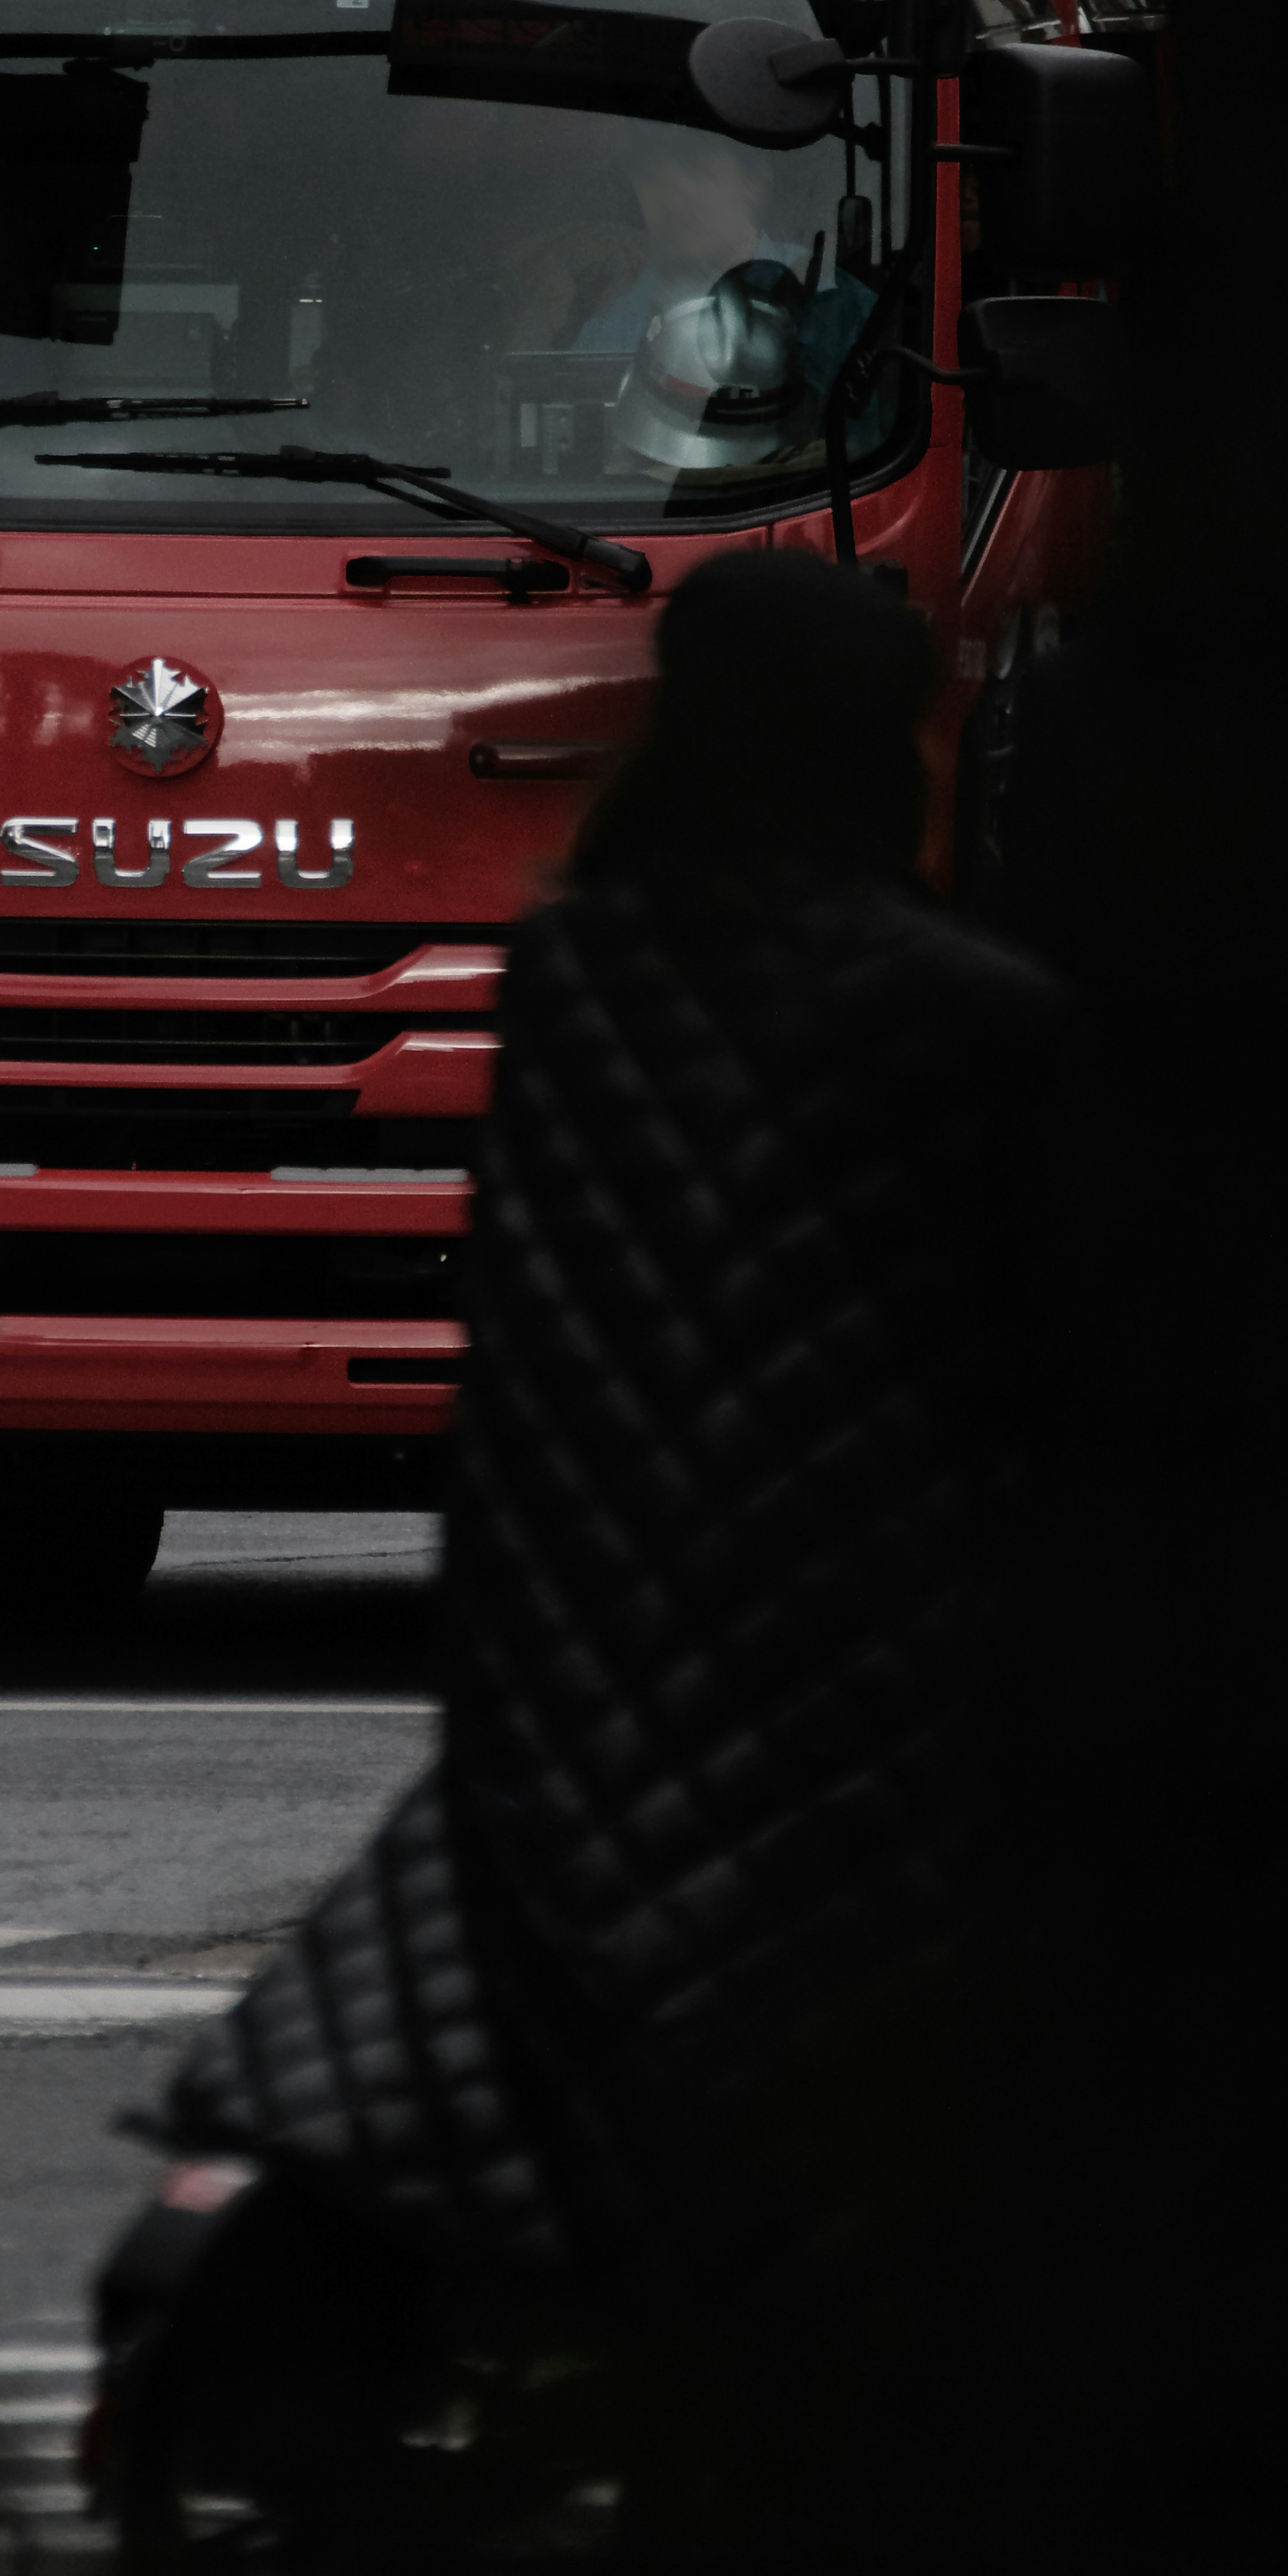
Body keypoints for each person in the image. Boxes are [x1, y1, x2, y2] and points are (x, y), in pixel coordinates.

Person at [161, 550, 1071, 2461]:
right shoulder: (963, 1012)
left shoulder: (572, 974)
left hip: (573, 1644)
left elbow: (528, 1331)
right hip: (849, 1671)